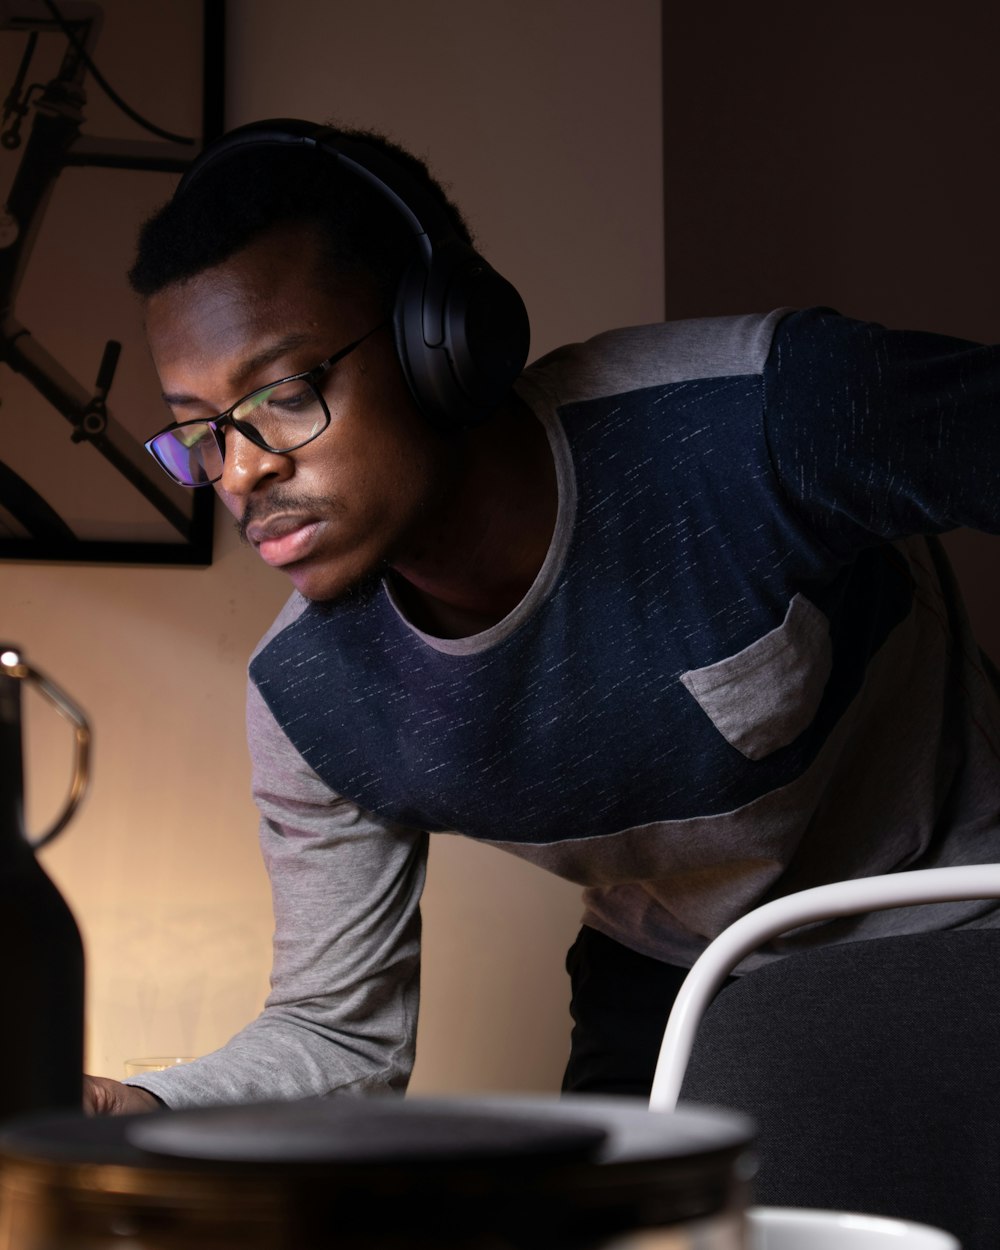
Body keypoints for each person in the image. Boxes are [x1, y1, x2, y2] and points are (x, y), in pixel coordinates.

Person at [84, 118, 1000, 1116]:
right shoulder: (308, 699)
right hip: (671, 986)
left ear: (442, 340)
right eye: (199, 433)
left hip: (955, 913)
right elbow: (334, 1031)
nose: (246, 467)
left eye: (285, 392)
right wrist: (148, 1105)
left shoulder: (770, 417)